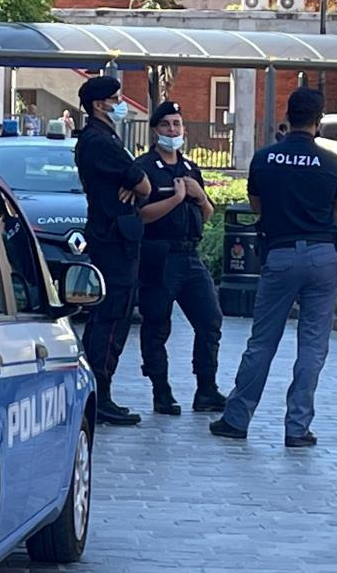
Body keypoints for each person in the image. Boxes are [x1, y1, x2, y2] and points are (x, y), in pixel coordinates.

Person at [210, 88, 337, 448]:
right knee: (313, 345)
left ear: (288, 115)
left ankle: (236, 419)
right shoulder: (331, 162)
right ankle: (297, 428)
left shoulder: (264, 159)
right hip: (322, 255)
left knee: (262, 341)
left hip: (280, 254)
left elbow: (257, 206)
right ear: (318, 120)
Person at [135, 101, 226, 416]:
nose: (172, 130)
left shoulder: (190, 168)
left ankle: (206, 389)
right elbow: (141, 216)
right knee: (157, 325)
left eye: (177, 124)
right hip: (160, 256)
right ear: (155, 130)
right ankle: (161, 392)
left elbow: (206, 213)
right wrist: (176, 198)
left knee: (210, 319)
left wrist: (199, 196)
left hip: (190, 256)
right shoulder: (144, 168)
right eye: (166, 125)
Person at [75, 75, 151, 425]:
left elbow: (136, 184)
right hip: (112, 237)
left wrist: (133, 187)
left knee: (109, 313)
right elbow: (143, 184)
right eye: (116, 98)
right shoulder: (100, 142)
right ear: (98, 104)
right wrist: (135, 187)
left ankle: (99, 390)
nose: (121, 103)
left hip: (115, 235)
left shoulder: (104, 137)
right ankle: (99, 392)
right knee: (110, 314)